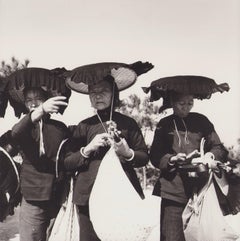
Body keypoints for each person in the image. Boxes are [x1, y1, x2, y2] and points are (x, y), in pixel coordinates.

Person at [64, 76, 149, 241]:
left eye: (103, 91)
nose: (97, 96)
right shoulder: (84, 126)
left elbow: (144, 157)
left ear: (114, 94)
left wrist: (126, 152)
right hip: (87, 195)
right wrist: (89, 148)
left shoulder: (128, 124)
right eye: (93, 92)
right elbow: (67, 162)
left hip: (121, 194)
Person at [149, 92, 228, 241]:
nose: (186, 108)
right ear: (172, 102)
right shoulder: (164, 124)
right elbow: (155, 155)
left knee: (203, 236)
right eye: (181, 103)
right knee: (171, 236)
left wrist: (209, 156)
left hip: (202, 190)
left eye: (190, 103)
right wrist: (173, 159)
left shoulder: (201, 121)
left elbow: (218, 147)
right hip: (173, 191)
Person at [11, 87, 69, 241]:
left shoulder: (60, 128)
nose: (33, 103)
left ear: (47, 99)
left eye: (38, 99)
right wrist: (41, 109)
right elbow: (15, 132)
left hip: (58, 196)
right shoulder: (25, 128)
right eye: (28, 100)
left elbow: (67, 159)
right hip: (33, 197)